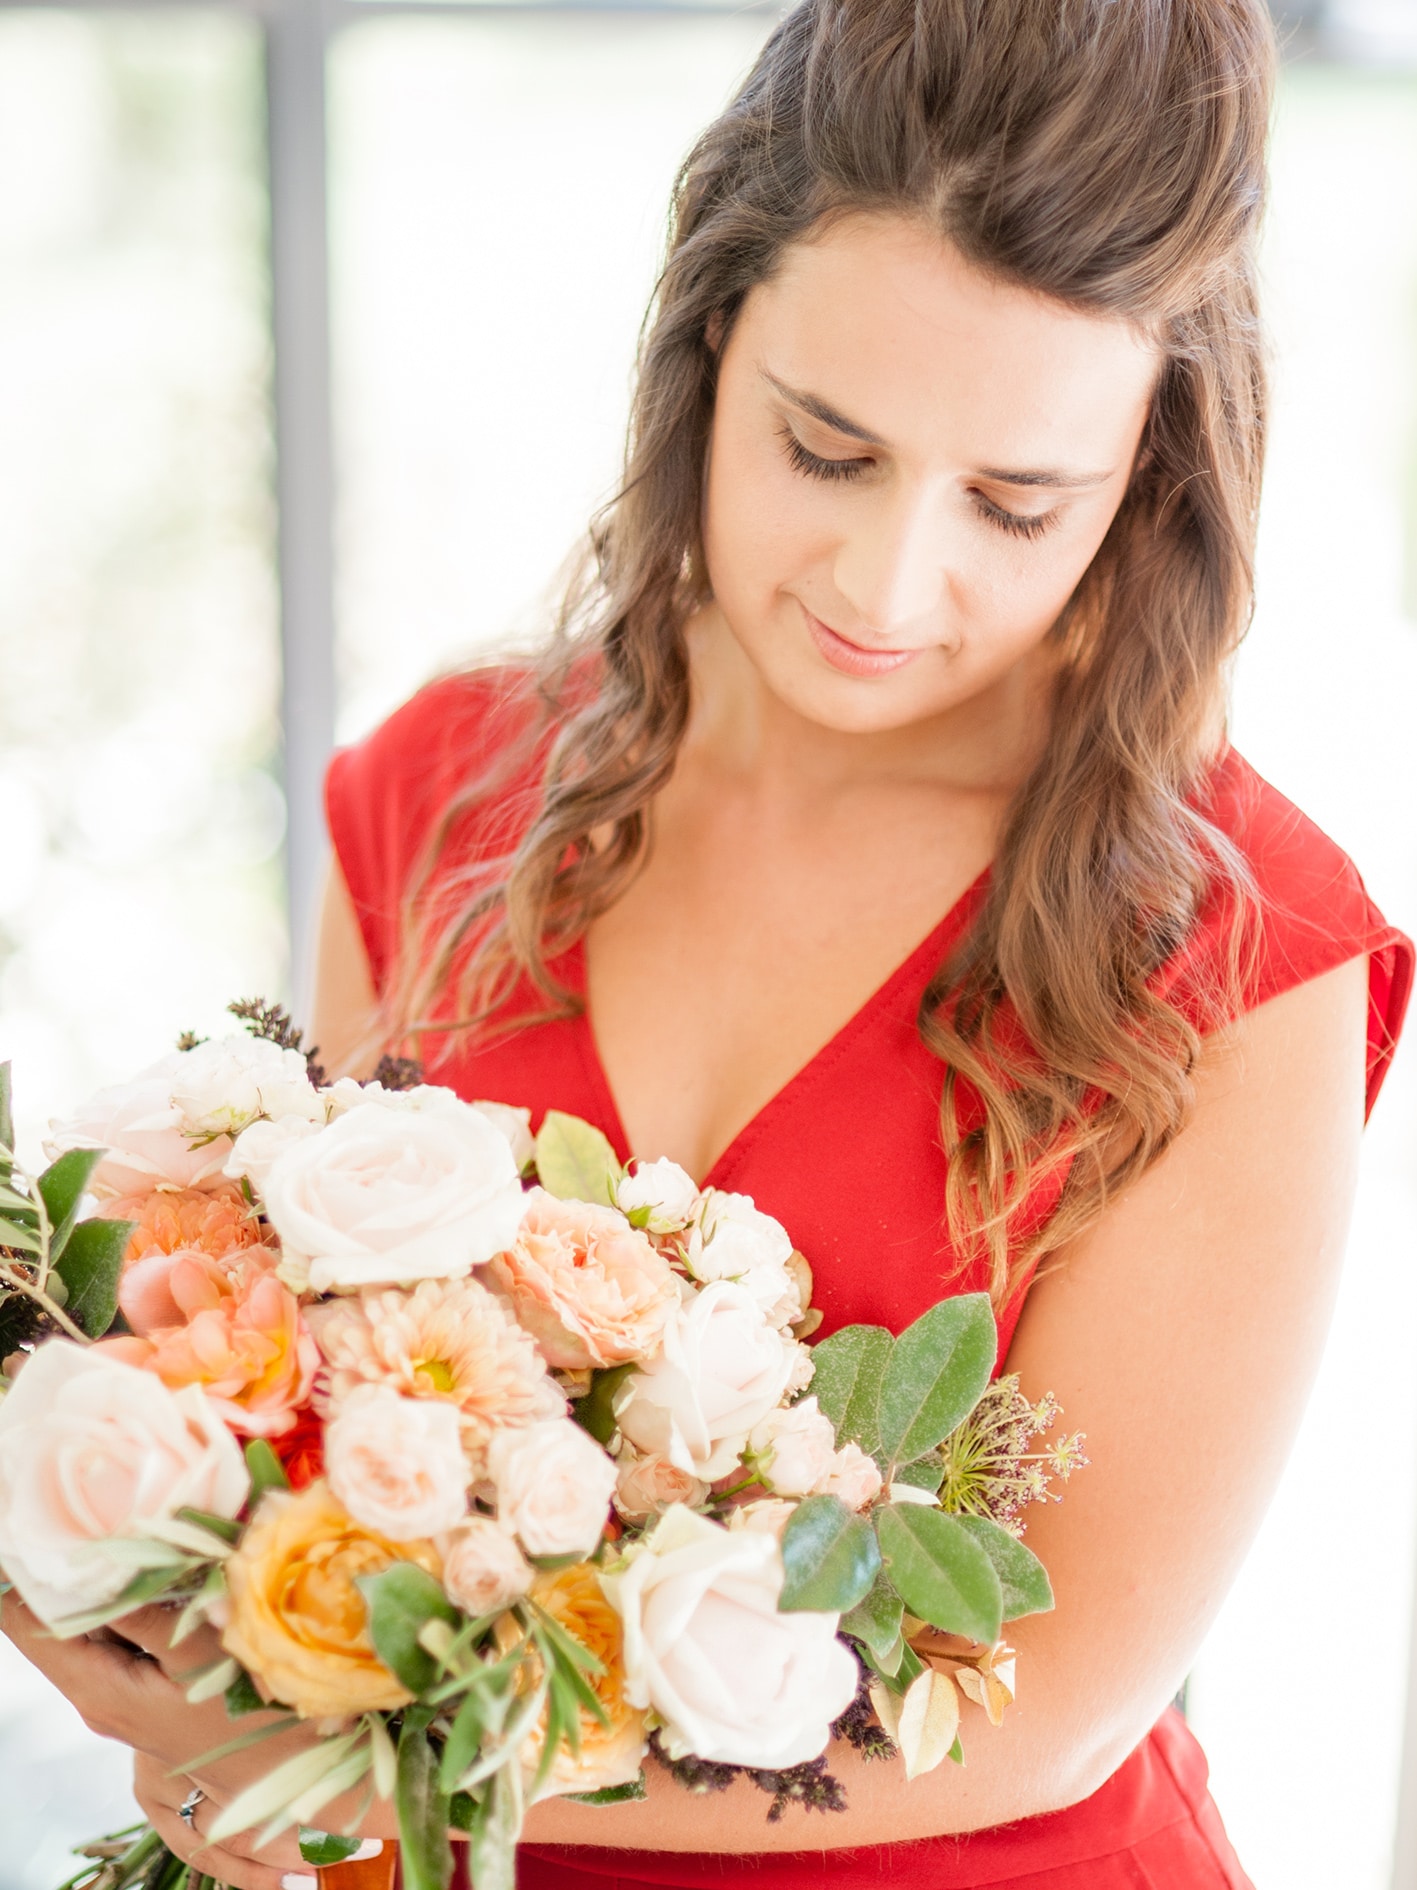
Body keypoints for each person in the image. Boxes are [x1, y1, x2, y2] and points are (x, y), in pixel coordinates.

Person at [5, 0, 1412, 1885]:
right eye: (826, 450)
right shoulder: (432, 797)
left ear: (1148, 475)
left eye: (1015, 504)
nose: (887, 585)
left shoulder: (1244, 949)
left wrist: (361, 1763)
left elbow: (1055, 1683)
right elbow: (313, 1416)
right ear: (705, 343)